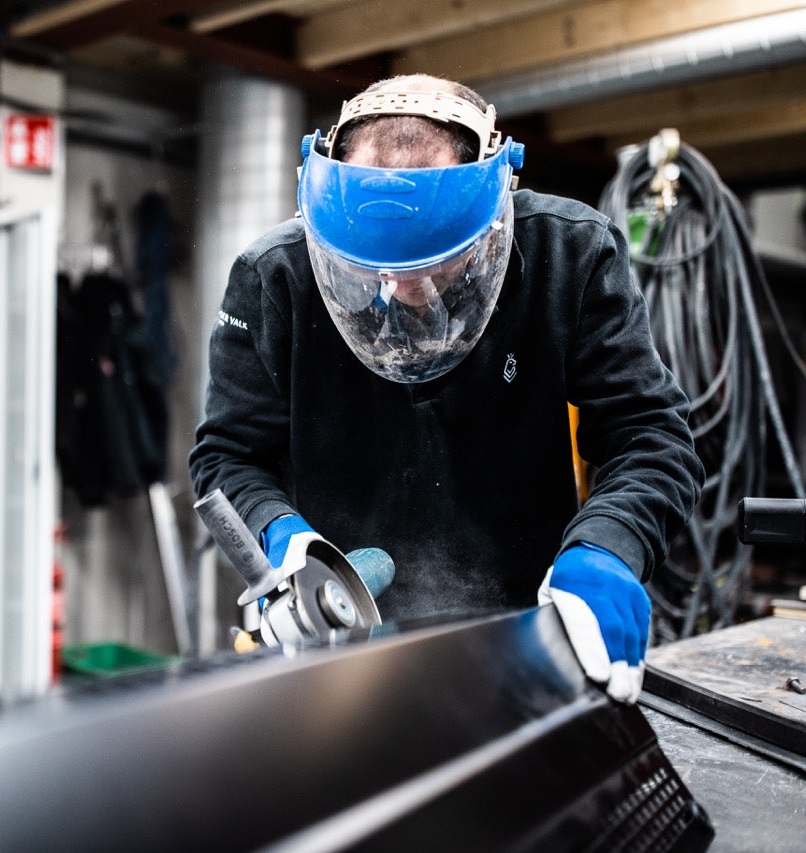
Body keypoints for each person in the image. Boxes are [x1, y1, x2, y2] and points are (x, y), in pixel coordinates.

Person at [188, 74, 703, 704]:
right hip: (340, 635)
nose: (406, 288)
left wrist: (607, 549)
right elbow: (227, 456)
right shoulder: (274, 277)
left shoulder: (570, 254)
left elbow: (650, 437)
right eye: (372, 268)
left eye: (436, 262)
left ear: (493, 212)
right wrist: (281, 536)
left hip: (529, 637)